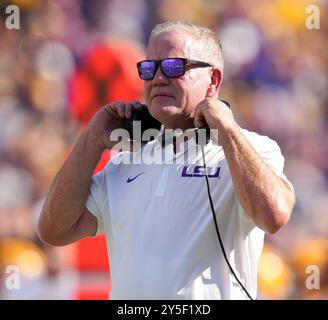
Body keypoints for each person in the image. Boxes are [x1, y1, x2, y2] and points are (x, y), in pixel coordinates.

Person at [38, 21, 296, 300]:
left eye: (174, 66)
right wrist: (91, 140)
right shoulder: (123, 161)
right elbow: (53, 230)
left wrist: (228, 129)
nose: (158, 78)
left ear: (213, 81)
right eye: (150, 68)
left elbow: (274, 216)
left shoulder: (254, 148)